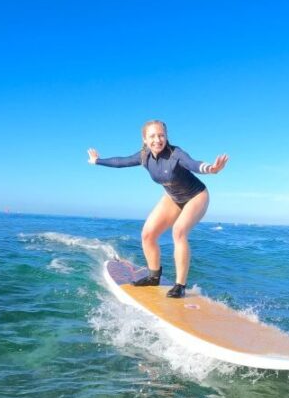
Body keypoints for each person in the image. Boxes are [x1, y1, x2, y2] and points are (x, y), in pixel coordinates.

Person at [87, 120, 228, 298]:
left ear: (166, 136)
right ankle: (154, 276)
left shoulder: (176, 154)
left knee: (179, 231)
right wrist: (97, 161)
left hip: (196, 196)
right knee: (148, 234)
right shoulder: (144, 156)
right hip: (173, 197)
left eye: (161, 135)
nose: (157, 140)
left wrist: (211, 169)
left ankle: (180, 285)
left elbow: (193, 164)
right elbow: (121, 161)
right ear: (145, 139)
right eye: (152, 136)